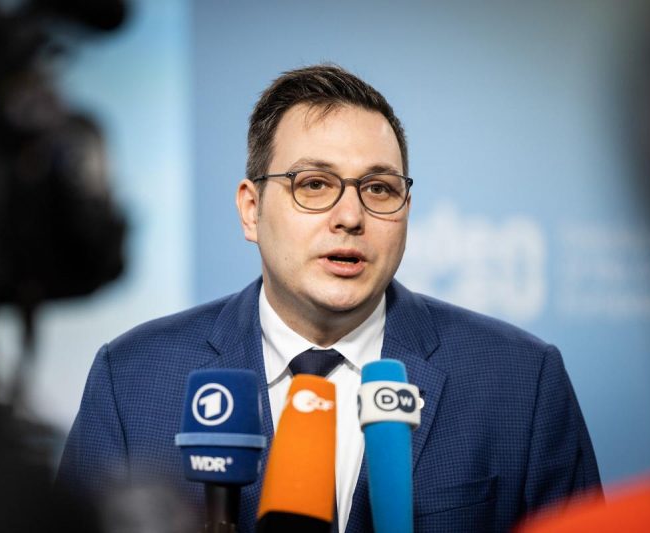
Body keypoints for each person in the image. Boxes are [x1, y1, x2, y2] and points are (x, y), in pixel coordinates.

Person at [57, 64, 601, 532]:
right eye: (314, 184)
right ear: (251, 209)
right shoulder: (132, 379)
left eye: (379, 189)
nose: (350, 216)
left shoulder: (521, 381)